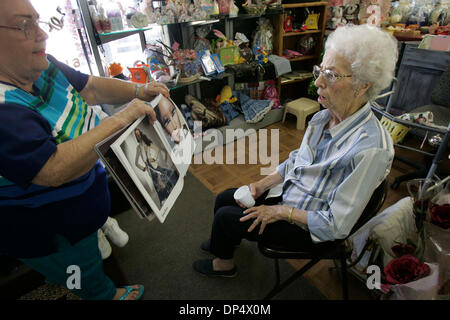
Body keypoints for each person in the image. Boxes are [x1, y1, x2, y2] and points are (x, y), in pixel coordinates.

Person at [193, 24, 398, 277]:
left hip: (308, 228)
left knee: (226, 217)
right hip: (292, 196)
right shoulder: (323, 119)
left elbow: (336, 225)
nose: (319, 82)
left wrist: (279, 211)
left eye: (331, 75)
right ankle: (222, 243)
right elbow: (297, 162)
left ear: (362, 85)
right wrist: (263, 184)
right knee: (225, 198)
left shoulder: (371, 149)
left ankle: (224, 264)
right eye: (320, 71)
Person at [0, 0, 170, 300]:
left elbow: (89, 87)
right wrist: (123, 117)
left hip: (78, 215)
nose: (42, 34)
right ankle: (105, 296)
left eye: (38, 21)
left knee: (88, 257)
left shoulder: (39, 64)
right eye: (25, 25)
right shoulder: (3, 110)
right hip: (47, 233)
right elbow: (53, 169)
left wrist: (138, 90)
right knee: (81, 275)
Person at [134, 128, 178, 206]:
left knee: (165, 175)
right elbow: (136, 162)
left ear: (140, 134)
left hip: (154, 165)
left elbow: (157, 150)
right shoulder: (138, 148)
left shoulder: (147, 143)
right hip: (148, 168)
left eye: (138, 134)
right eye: (136, 135)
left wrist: (153, 158)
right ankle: (163, 199)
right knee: (156, 184)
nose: (138, 136)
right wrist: (143, 168)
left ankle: (171, 189)